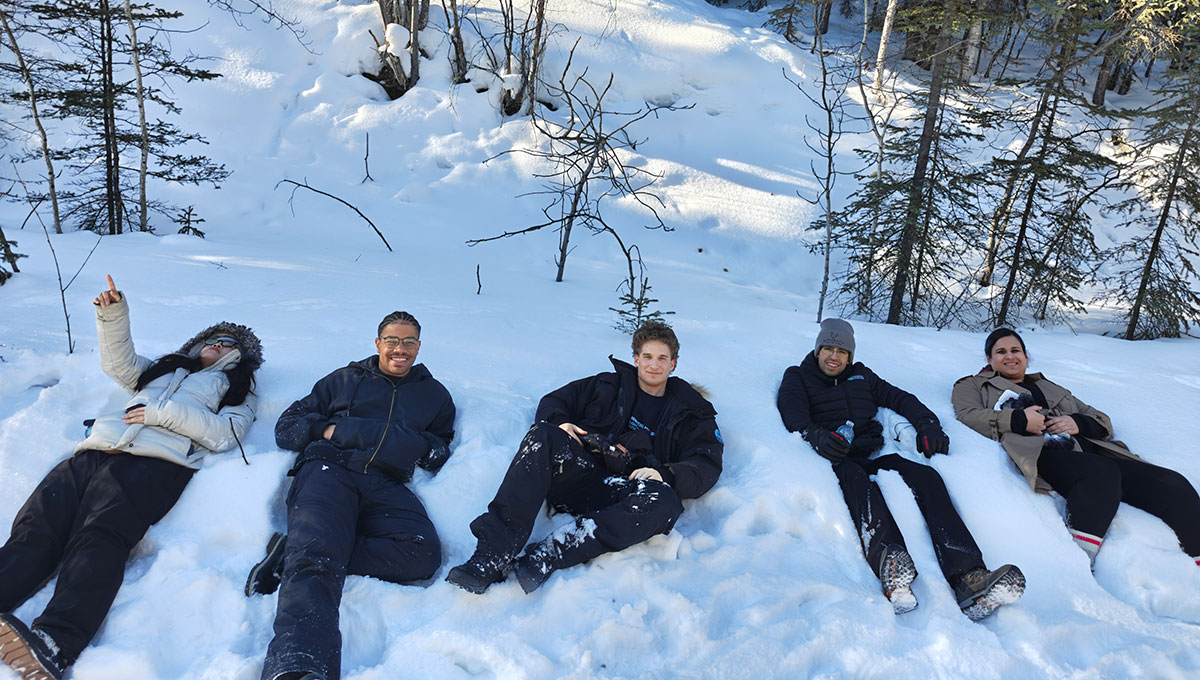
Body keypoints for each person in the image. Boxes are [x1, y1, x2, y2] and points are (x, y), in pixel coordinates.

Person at [0, 275, 262, 680]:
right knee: (36, 528)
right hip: (97, 450)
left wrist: (162, 415)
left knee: (101, 536)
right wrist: (112, 314)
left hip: (156, 463)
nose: (220, 345)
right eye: (214, 338)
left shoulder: (238, 387)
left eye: (230, 344)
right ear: (197, 343)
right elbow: (118, 362)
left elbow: (225, 435)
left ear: (239, 357)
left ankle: (54, 642)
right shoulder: (163, 370)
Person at [248, 311, 455, 680]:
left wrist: (404, 445)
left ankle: (295, 548)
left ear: (419, 347)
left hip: (386, 481)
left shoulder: (434, 395)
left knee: (422, 554)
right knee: (316, 559)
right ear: (378, 344)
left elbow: (439, 450)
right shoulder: (343, 380)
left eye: (409, 342)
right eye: (392, 340)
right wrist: (331, 430)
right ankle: (299, 663)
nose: (400, 349)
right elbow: (287, 428)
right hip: (330, 470)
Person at [446, 321, 722, 595]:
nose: (654, 365)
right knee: (543, 434)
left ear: (673, 363)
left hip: (623, 495)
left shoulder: (691, 412)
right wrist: (561, 423)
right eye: (647, 356)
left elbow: (706, 462)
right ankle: (490, 557)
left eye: (662, 358)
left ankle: (549, 553)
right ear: (636, 358)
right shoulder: (607, 385)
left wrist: (666, 474)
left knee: (664, 501)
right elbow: (554, 401)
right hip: (580, 474)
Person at [777, 319, 1024, 621]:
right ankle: (890, 567)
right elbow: (794, 415)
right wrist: (817, 437)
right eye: (827, 348)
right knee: (857, 481)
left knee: (926, 476)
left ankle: (969, 578)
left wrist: (927, 424)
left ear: (850, 356)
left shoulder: (861, 376)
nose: (834, 356)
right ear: (817, 350)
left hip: (871, 452)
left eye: (841, 351)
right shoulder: (799, 376)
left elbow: (900, 398)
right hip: (835, 458)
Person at [952, 328, 1200, 568]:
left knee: (1172, 483)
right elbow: (967, 414)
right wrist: (1019, 420)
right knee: (1100, 472)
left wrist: (1077, 422)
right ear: (989, 359)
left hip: (1088, 452)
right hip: (1042, 453)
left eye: (1016, 350)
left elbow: (1101, 420)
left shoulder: (1050, 387)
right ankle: (1081, 560)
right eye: (1001, 351)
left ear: (1026, 357)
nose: (1010, 356)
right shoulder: (973, 385)